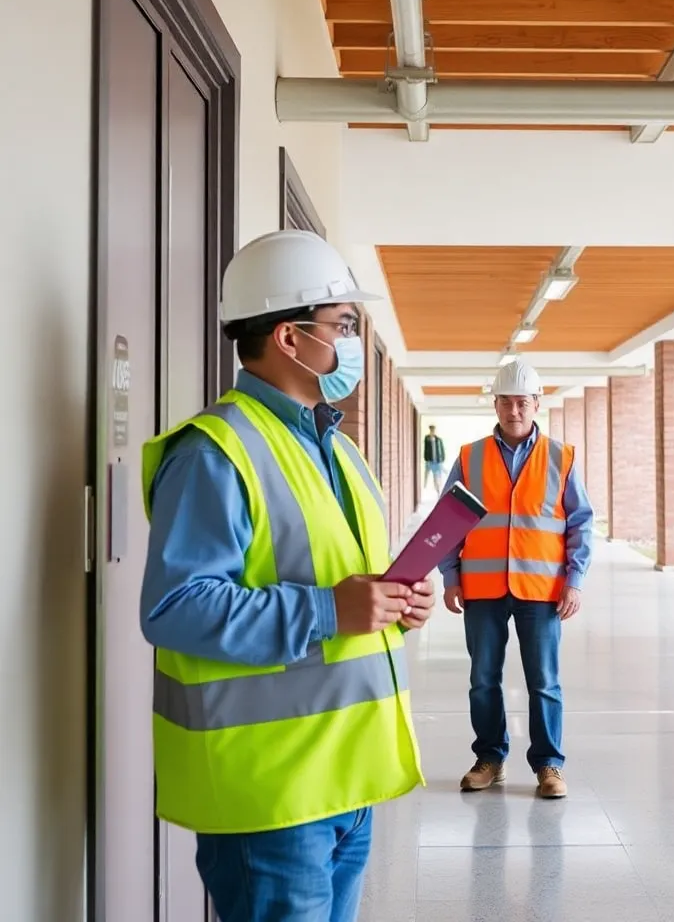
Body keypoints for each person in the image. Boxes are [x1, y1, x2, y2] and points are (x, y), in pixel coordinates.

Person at [139, 229, 434, 922]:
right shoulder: (216, 451)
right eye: (341, 325)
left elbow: (341, 578)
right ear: (290, 339)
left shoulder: (337, 446)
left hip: (345, 784)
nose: (350, 343)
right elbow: (177, 608)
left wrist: (397, 599)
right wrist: (330, 612)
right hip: (271, 797)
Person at [438, 357, 594, 799]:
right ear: (495, 404)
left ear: (537, 403)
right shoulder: (471, 457)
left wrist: (575, 579)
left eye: (522, 402)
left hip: (541, 589)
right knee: (483, 678)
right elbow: (449, 519)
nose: (514, 411)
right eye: (506, 402)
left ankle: (549, 766)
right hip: (482, 587)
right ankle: (490, 758)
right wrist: (450, 575)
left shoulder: (561, 457)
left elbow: (581, 521)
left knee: (544, 680)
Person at [423, 424, 446, 495]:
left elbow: (442, 449)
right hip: (429, 461)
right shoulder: (427, 439)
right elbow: (426, 448)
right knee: (426, 474)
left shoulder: (438, 440)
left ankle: (438, 491)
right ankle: (424, 486)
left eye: (433, 430)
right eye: (431, 430)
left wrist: (443, 458)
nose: (432, 431)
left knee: (436, 478)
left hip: (437, 461)